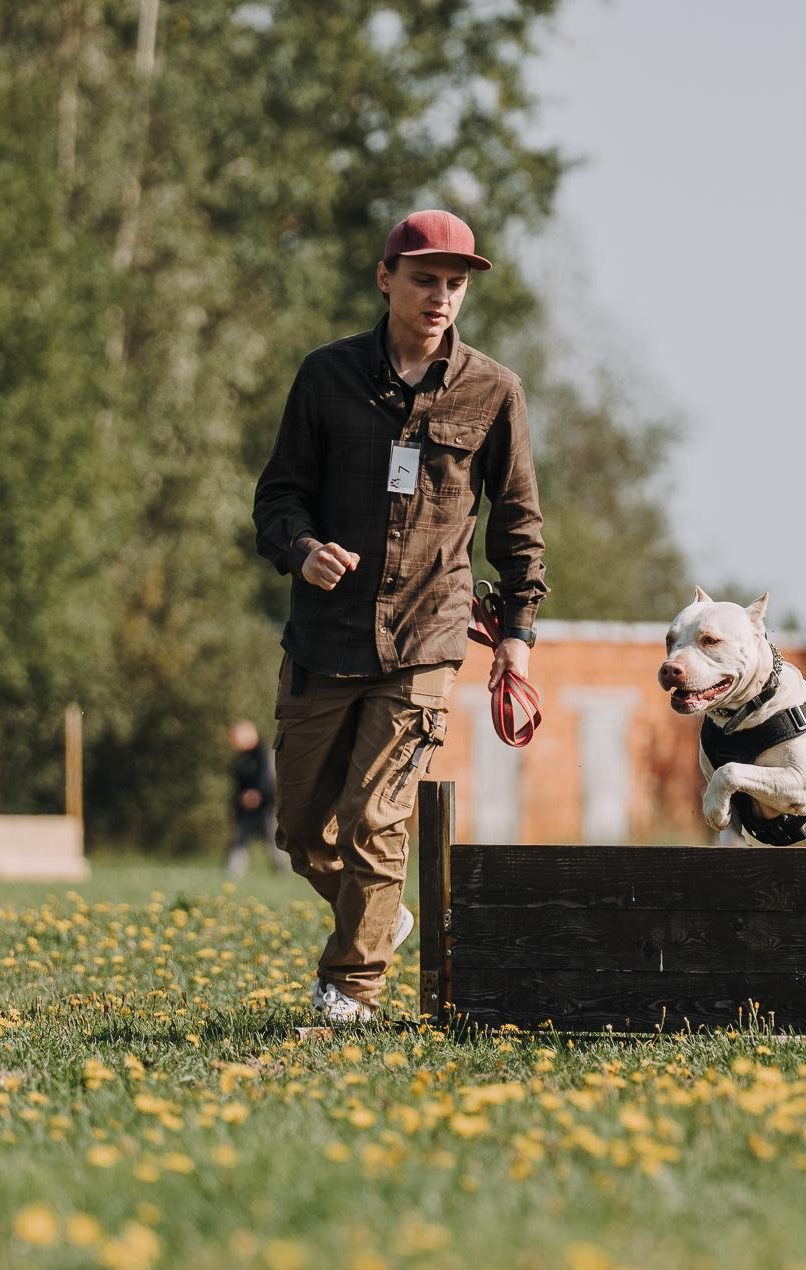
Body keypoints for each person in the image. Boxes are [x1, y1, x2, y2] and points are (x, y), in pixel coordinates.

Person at [252, 208, 546, 1024]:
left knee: (379, 818)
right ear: (386, 279)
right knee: (304, 831)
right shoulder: (325, 377)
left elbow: (518, 524)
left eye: (455, 284)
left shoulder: (495, 391)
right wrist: (303, 548)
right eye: (425, 280)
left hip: (428, 636)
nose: (441, 297)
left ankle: (352, 988)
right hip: (325, 634)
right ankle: (381, 915)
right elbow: (276, 497)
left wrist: (517, 638)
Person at [224, 719, 290, 877]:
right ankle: (231, 875)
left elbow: (271, 781)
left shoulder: (265, 754)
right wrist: (237, 806)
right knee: (239, 842)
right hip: (247, 811)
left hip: (268, 809)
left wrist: (258, 794)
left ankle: (284, 874)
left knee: (273, 844)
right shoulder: (241, 759)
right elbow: (238, 786)